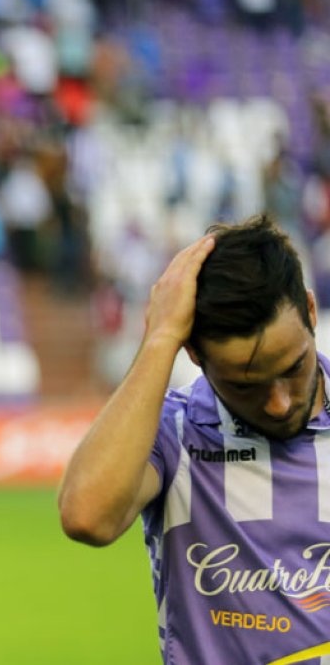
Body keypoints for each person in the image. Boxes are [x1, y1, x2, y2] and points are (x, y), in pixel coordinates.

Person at [59, 214, 330, 663]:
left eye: (292, 369)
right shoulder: (176, 432)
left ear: (311, 310)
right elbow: (87, 516)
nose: (280, 403)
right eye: (246, 386)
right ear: (194, 355)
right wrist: (159, 337)